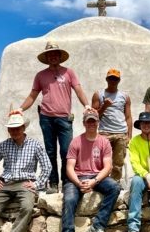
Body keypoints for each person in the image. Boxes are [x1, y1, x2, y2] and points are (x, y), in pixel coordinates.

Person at [13, 41, 92, 194]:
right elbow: (32, 95)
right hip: (46, 118)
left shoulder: (69, 73)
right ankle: (53, 183)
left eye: (55, 54)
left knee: (66, 151)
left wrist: (87, 105)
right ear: (47, 57)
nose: (53, 56)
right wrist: (20, 108)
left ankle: (67, 182)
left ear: (60, 56)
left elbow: (78, 90)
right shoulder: (40, 75)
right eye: (50, 54)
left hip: (64, 118)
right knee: (50, 152)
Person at [60, 110, 121, 232]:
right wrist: (79, 183)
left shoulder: (104, 142)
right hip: (77, 178)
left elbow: (107, 166)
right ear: (84, 123)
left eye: (94, 121)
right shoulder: (76, 142)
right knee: (69, 200)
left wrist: (94, 181)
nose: (91, 124)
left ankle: (97, 226)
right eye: (89, 121)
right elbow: (69, 167)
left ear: (98, 122)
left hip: (96, 177)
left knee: (114, 187)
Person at [92, 68, 132, 182]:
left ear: (119, 80)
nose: (113, 81)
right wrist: (104, 106)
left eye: (115, 79)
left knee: (118, 162)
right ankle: (101, 182)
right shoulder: (98, 94)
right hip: (105, 132)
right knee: (101, 160)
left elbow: (128, 117)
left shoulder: (125, 96)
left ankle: (115, 183)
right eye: (111, 78)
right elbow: (94, 117)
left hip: (121, 133)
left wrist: (129, 135)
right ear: (106, 79)